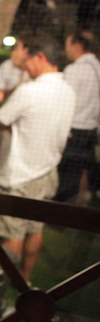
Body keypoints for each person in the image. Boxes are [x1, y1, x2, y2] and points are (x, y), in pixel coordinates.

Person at [0, 37, 76, 283]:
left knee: (11, 232)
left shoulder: (30, 91)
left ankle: (2, 285)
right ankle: (24, 280)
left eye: (28, 60)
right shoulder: (68, 91)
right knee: (35, 229)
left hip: (19, 173)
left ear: (41, 57)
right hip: (47, 171)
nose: (25, 66)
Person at [53, 30, 100, 204]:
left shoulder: (75, 70)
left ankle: (51, 209)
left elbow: (62, 100)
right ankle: (68, 212)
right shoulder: (98, 68)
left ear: (78, 46)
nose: (67, 50)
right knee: (76, 175)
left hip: (71, 131)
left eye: (68, 45)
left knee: (60, 174)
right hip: (90, 132)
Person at [0, 39, 31, 103]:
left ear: (27, 53)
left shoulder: (34, 77)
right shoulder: (7, 65)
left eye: (17, 49)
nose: (13, 52)